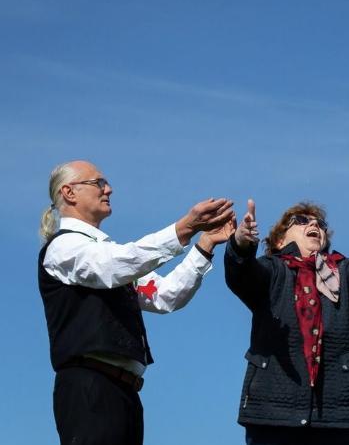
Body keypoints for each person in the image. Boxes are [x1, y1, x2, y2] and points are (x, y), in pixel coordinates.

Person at [37, 160, 235, 445]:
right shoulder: (63, 247)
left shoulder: (109, 254)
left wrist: (204, 246)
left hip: (124, 392)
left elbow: (165, 295)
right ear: (69, 193)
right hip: (89, 388)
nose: (109, 189)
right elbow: (111, 267)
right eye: (98, 183)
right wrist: (182, 229)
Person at [224, 199, 349, 445]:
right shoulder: (272, 270)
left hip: (335, 416)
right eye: (301, 221)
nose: (313, 224)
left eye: (319, 223)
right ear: (279, 241)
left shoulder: (342, 273)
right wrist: (242, 245)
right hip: (273, 414)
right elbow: (241, 273)